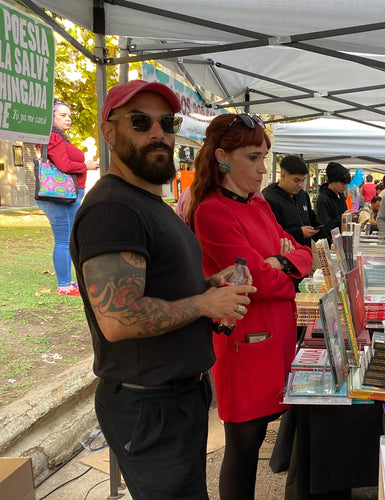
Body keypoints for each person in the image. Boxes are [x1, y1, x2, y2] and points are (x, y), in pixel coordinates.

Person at [70, 80, 256, 499]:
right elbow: (118, 318)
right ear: (109, 131)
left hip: (173, 398)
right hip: (149, 405)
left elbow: (153, 283)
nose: (158, 133)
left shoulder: (146, 201)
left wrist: (206, 284)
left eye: (166, 123)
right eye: (140, 122)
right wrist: (204, 302)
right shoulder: (113, 208)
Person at [187, 113, 313, 500]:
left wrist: (283, 264)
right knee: (243, 446)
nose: (263, 169)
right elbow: (256, 279)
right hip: (244, 343)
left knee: (254, 440)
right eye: (254, 158)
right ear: (223, 157)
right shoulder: (212, 211)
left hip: (273, 338)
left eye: (264, 158)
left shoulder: (257, 206)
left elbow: (303, 255)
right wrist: (280, 266)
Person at [39, 100, 99, 296]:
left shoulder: (61, 138)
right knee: (64, 240)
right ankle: (64, 285)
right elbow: (64, 165)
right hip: (61, 196)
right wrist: (86, 166)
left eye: (69, 116)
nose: (68, 119)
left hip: (68, 194)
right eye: (62, 115)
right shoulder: (53, 137)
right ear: (52, 117)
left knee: (67, 239)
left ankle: (68, 282)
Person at [263, 155, 320, 248]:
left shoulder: (303, 195)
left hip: (305, 253)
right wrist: (299, 232)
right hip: (284, 256)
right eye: (296, 180)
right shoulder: (270, 198)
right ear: (283, 175)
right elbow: (270, 234)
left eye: (303, 180)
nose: (300, 185)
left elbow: (312, 219)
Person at [315, 162, 351, 242]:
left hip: (341, 238)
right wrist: (343, 217)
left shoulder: (340, 195)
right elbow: (325, 226)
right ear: (332, 181)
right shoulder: (323, 199)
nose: (345, 187)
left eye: (346, 184)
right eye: (342, 184)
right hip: (330, 241)